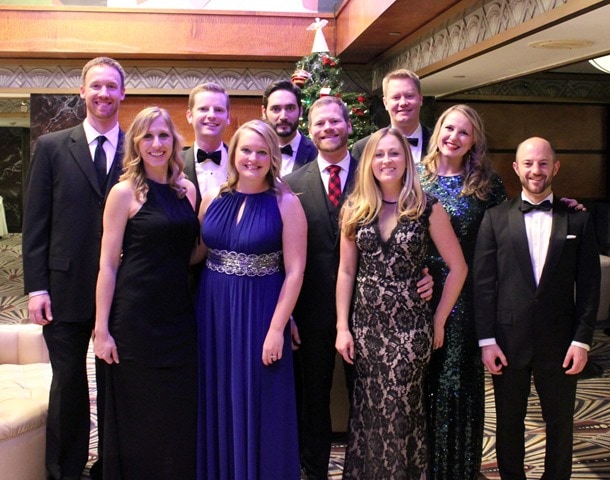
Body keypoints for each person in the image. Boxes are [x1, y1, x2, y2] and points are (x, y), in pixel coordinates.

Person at [284, 96, 433, 480]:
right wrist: (287, 315)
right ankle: (314, 472)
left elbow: (412, 231)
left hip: (377, 316)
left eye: (335, 121)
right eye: (319, 123)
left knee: (371, 404)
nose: (328, 128)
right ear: (309, 131)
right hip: (311, 312)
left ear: (349, 126)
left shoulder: (375, 174)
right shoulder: (292, 184)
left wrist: (426, 272)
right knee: (313, 401)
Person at [335, 127, 468, 479]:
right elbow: (346, 271)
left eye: (394, 153)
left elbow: (458, 267)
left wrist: (438, 320)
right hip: (366, 329)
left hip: (411, 331)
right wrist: (342, 327)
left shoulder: (427, 207)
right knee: (369, 411)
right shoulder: (355, 208)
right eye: (379, 154)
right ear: (369, 161)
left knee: (400, 410)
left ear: (406, 160)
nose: (386, 160)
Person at [22, 56, 126, 480]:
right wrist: (37, 288)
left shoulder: (138, 149)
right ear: (82, 91)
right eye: (96, 85)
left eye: (111, 86)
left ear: (123, 93)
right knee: (68, 383)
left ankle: (111, 467)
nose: (104, 93)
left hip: (122, 289)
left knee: (116, 383)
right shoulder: (51, 147)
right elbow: (35, 222)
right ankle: (64, 470)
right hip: (62, 286)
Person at [474, 136, 600, 480]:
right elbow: (483, 286)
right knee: (508, 422)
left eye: (543, 163)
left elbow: (589, 286)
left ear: (555, 167)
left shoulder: (578, 220)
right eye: (528, 163)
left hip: (561, 343)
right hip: (507, 341)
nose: (536, 170)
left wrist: (582, 340)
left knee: (560, 423)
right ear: (516, 168)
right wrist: (487, 341)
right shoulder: (494, 219)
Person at [195, 119, 307, 480]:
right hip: (213, 310)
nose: (253, 159)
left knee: (260, 399)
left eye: (262, 152)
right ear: (234, 154)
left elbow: (295, 272)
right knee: (217, 395)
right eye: (246, 150)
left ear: (273, 157)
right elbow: (196, 253)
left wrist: (277, 328)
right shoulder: (213, 198)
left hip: (261, 311)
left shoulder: (286, 203)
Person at [93, 106, 199, 479]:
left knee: (176, 412)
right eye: (148, 136)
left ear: (175, 141)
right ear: (136, 144)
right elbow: (108, 264)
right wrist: (101, 329)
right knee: (139, 413)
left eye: (163, 135)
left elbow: (189, 252)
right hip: (135, 318)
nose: (156, 144)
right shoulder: (123, 193)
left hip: (179, 316)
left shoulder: (187, 190)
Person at [419, 104, 506, 479]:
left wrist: (564, 207)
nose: (454, 137)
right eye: (449, 128)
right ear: (438, 131)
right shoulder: (414, 179)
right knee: (421, 386)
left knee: (458, 386)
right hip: (420, 295)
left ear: (474, 142)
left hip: (467, 301)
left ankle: (458, 470)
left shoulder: (488, 186)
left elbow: (510, 230)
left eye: (464, 132)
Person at [351, 68, 431, 164]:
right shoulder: (364, 148)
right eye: (396, 97)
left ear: (420, 99)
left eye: (409, 96)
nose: (403, 103)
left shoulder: (439, 142)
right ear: (385, 103)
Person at [183, 82, 231, 211]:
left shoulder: (242, 163)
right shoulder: (173, 164)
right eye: (203, 109)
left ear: (228, 117)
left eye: (219, 110)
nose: (211, 115)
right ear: (189, 116)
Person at [261, 79, 317, 176]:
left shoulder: (317, 153)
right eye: (276, 109)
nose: (283, 117)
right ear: (264, 112)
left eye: (290, 108)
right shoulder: (254, 154)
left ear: (300, 111)